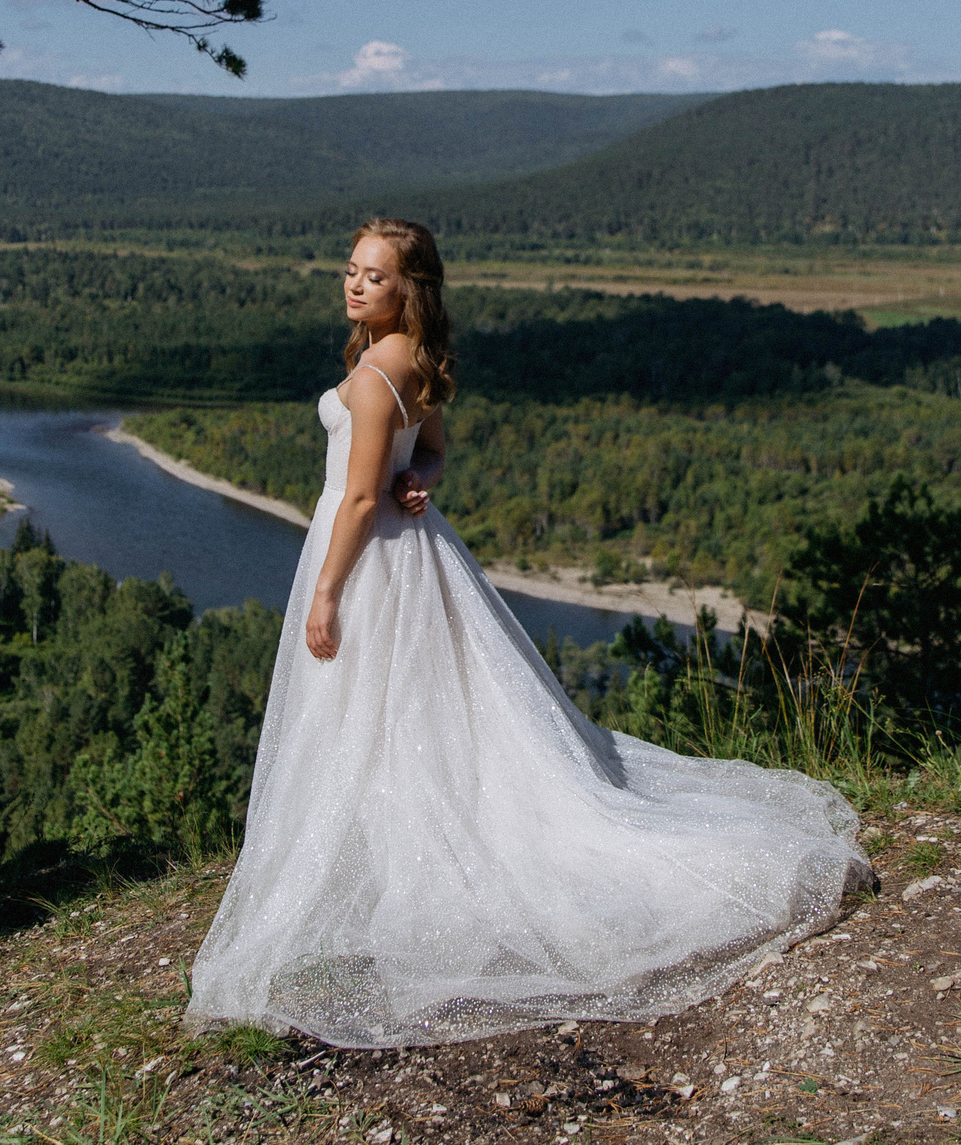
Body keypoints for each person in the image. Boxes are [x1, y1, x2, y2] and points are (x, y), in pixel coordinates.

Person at [184, 217, 871, 1047]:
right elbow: (432, 452)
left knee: (362, 708)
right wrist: (421, 481)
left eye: (374, 275)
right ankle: (378, 841)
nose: (355, 284)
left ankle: (375, 859)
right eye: (350, 269)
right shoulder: (413, 361)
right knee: (413, 715)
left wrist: (326, 591)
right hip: (418, 555)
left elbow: (361, 499)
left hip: (365, 558)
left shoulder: (373, 376)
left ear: (409, 289)